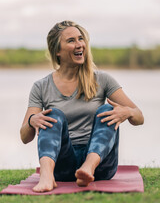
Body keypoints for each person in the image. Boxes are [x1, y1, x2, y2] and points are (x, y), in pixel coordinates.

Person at [20, 20, 144, 193]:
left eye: (81, 39)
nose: (79, 45)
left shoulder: (102, 79)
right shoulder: (41, 86)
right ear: (57, 51)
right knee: (52, 114)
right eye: (71, 41)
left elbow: (139, 117)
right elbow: (25, 137)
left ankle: (88, 167)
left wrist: (127, 112)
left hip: (100, 166)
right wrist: (33, 120)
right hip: (63, 166)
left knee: (107, 110)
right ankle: (47, 176)